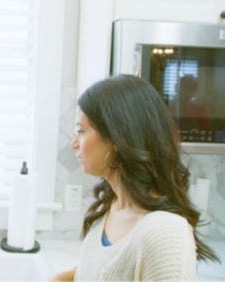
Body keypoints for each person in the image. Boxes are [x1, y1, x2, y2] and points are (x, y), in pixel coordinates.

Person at [50, 75, 220, 281]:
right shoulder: (111, 208)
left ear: (116, 137)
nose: (74, 143)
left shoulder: (165, 232)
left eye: (81, 131)